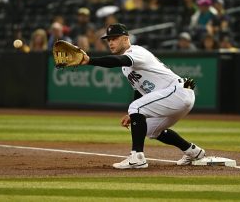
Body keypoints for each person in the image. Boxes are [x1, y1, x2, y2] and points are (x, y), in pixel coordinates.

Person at [78, 23, 205, 169]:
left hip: (179, 90)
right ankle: (193, 151)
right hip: (175, 95)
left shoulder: (136, 51)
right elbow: (140, 91)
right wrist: (132, 114)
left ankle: (137, 157)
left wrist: (90, 60)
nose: (111, 42)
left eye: (114, 38)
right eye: (108, 40)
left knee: (136, 107)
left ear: (126, 39)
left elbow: (118, 61)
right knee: (149, 129)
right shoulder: (126, 68)